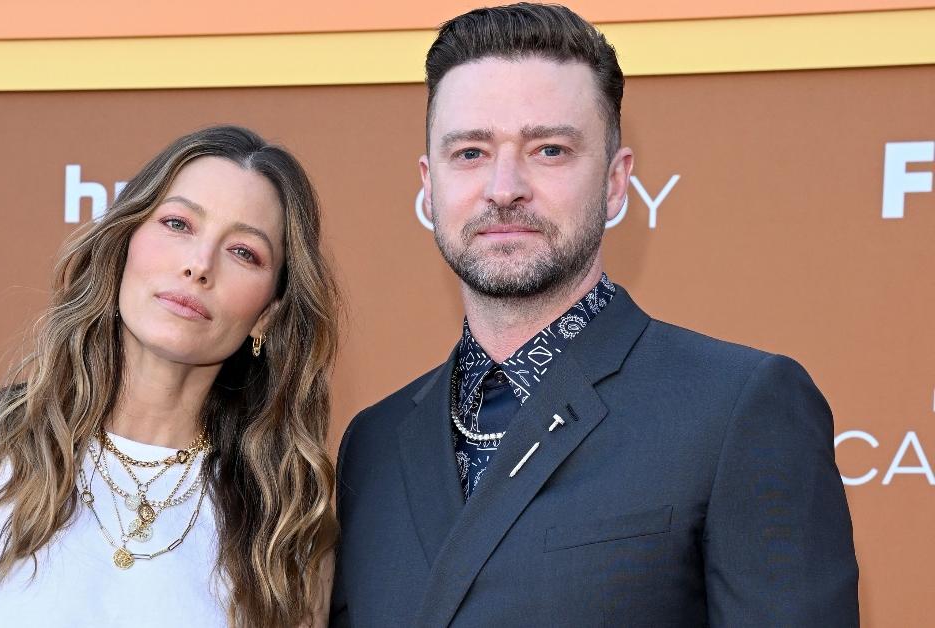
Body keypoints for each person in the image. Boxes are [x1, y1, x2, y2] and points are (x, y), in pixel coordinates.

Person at [330, 4, 858, 626]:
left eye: (548, 149)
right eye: (470, 152)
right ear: (429, 184)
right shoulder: (373, 444)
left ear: (614, 182)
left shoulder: (738, 409)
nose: (503, 187)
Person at [0, 125, 339, 628]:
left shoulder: (289, 518)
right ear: (123, 244)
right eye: (178, 224)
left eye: (243, 251)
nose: (199, 266)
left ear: (268, 313)